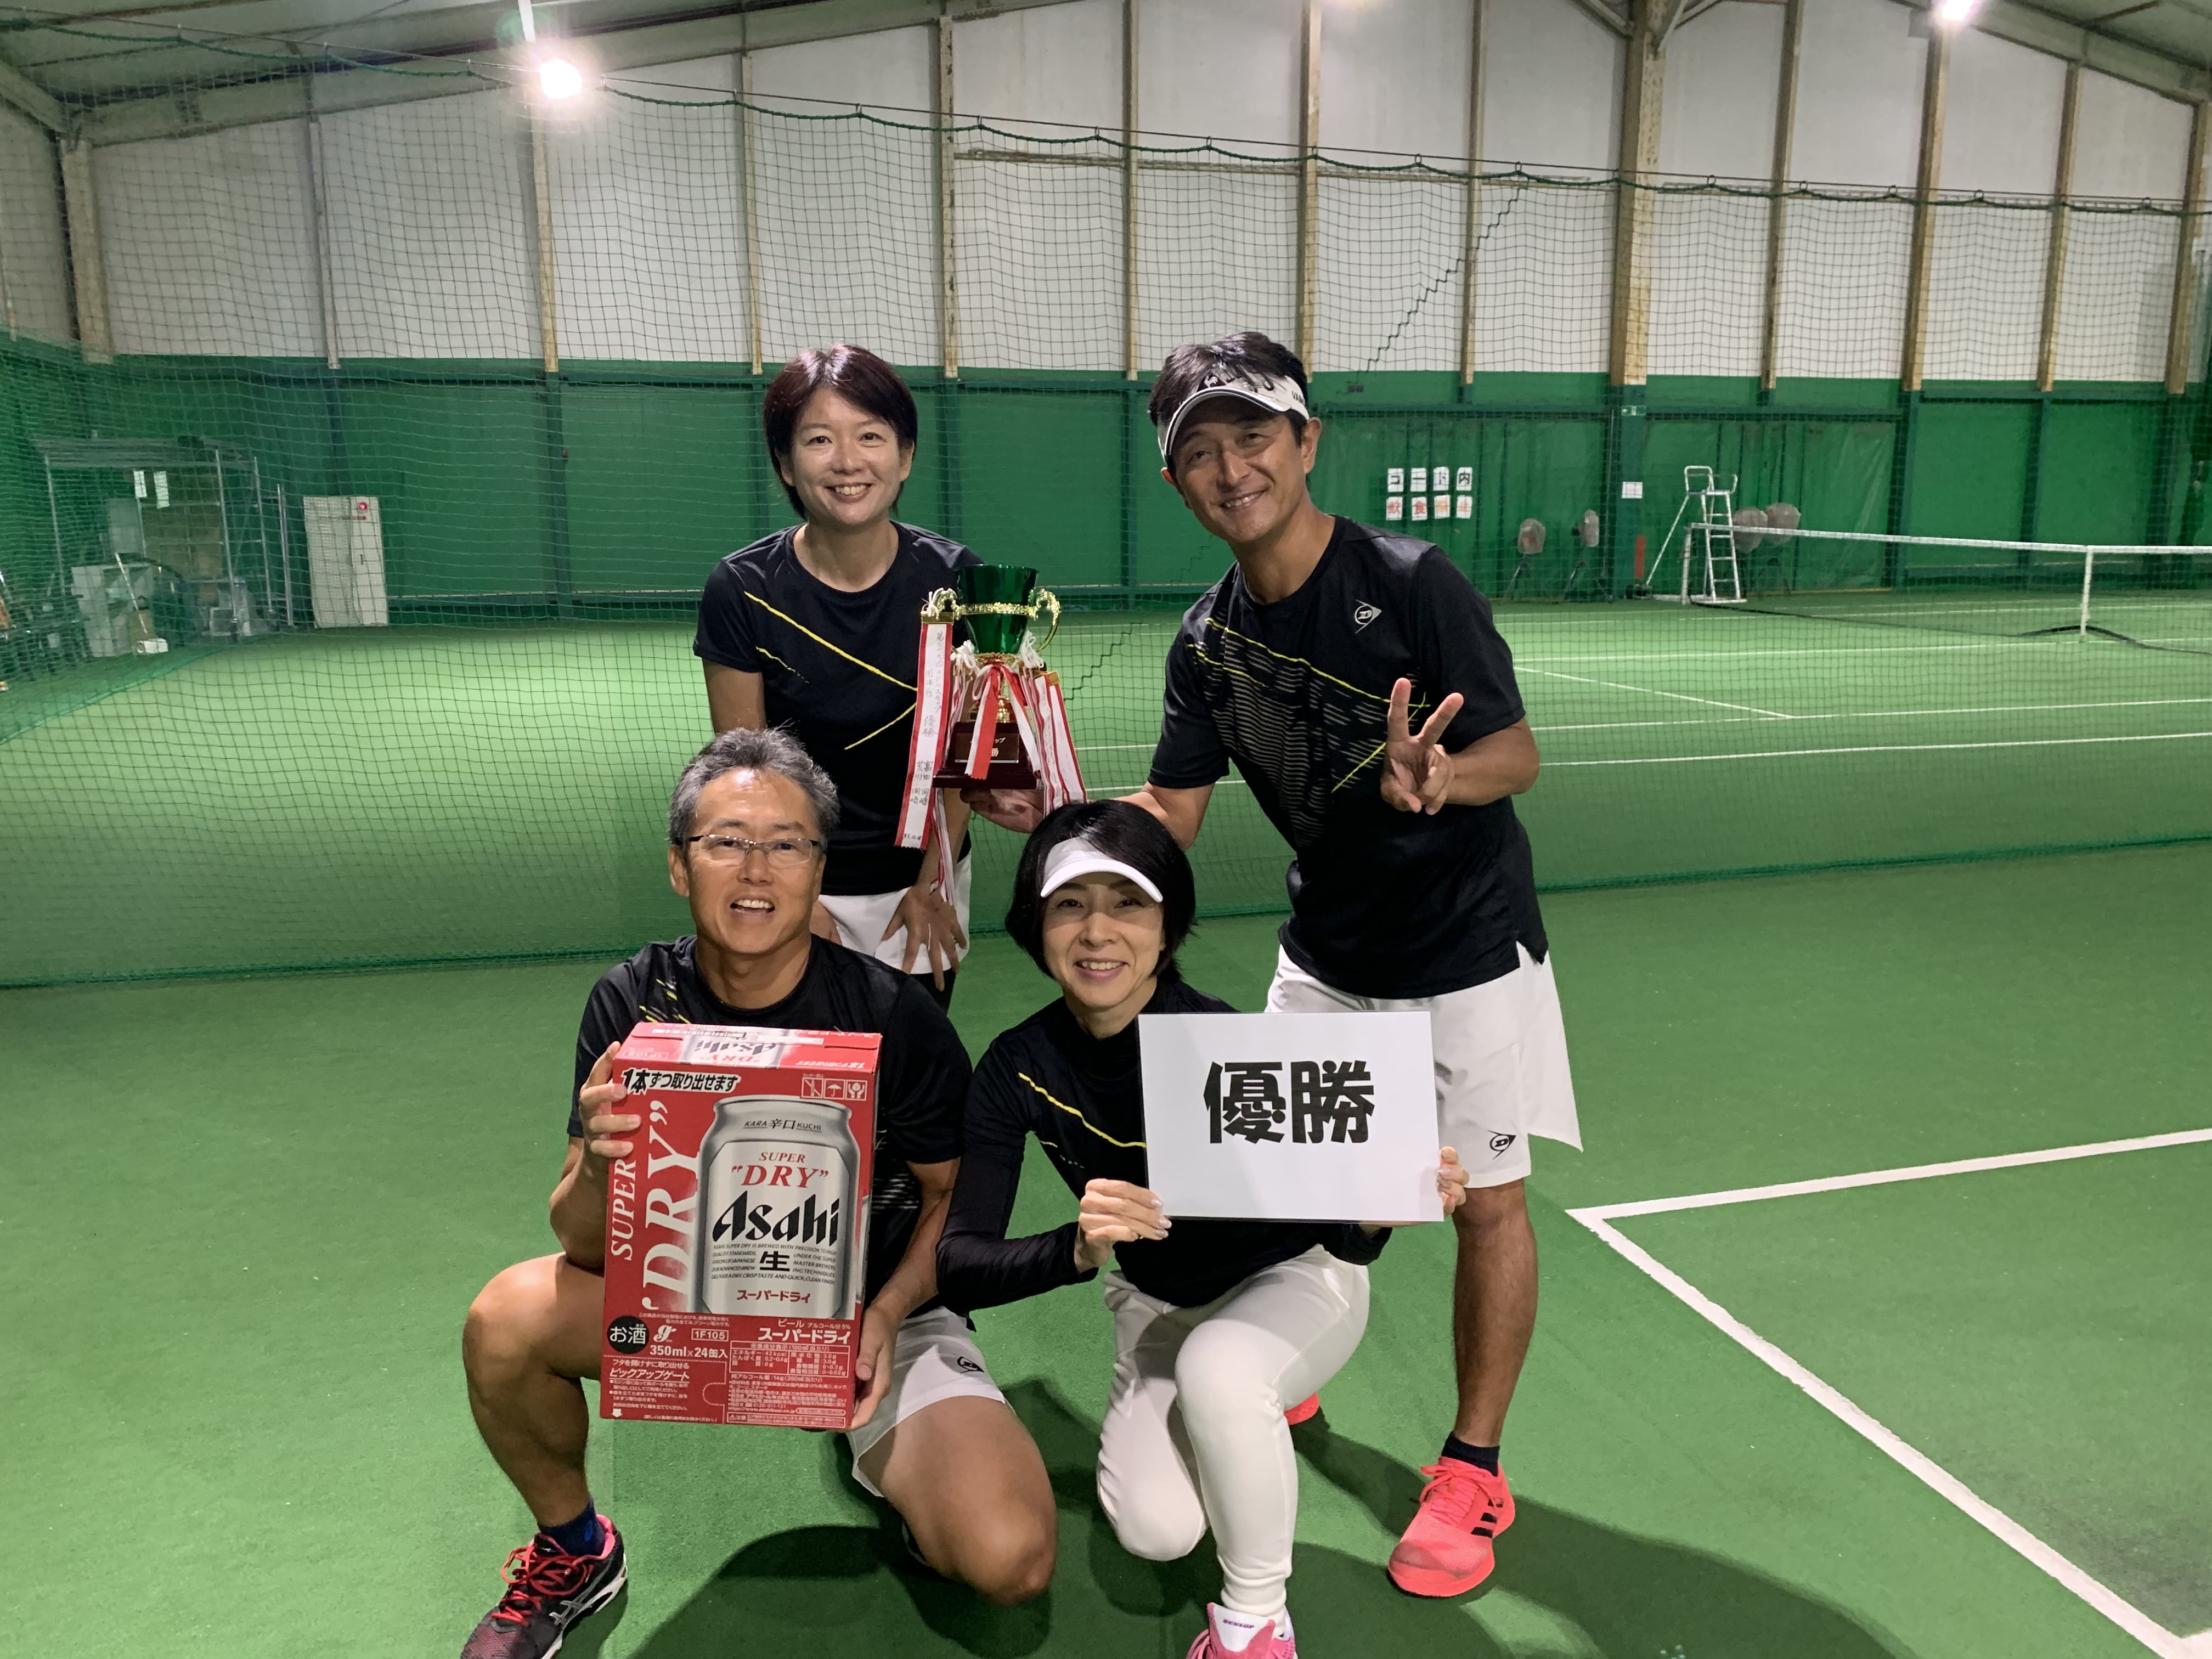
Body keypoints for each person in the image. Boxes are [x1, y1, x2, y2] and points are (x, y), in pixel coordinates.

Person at [1121, 332, 1581, 1599]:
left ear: (1306, 442)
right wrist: (1059, 813)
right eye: (1201, 453)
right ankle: (1290, 1363)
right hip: (1326, 955)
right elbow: (1171, 814)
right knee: (1282, 1182)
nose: (1232, 470)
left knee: (1487, 1204)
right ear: (1175, 481)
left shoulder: (1412, 583)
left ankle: (1472, 1467)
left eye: (1253, 438)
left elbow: (1516, 755)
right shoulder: (1206, 642)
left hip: (1466, 947)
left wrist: (1442, 777)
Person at [456, 727, 1054, 1659]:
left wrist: (887, 1313)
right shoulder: (632, 1002)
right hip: (689, 1304)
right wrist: (604, 1161)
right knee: (505, 1320)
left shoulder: (892, 1014)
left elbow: (954, 1201)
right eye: (726, 840)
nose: (756, 869)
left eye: (787, 843)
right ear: (678, 864)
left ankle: (899, 1463)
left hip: (863, 1319)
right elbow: (582, 1241)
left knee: (1008, 1557)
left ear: (820, 868)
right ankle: (577, 1550)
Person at [938, 800, 1469, 1658]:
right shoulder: (1017, 1067)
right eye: (1070, 905)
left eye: (1129, 903)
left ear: (1168, 926)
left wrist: (1380, 1208)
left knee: (1222, 1369)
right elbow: (961, 1264)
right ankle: (1245, 1395)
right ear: (1035, 924)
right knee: (1156, 1531)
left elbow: (1340, 1233)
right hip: (1157, 1302)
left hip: (1294, 1281)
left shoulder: (1228, 1044)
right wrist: (1076, 1247)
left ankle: (1255, 1624)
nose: (1098, 932)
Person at [696, 343, 979, 1005]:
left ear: (905, 457)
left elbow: (964, 757)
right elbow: (746, 769)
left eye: (871, 436)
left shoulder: (958, 580)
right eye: (819, 439)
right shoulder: (743, 588)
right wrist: (799, 900)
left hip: (923, 884)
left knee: (913, 1052)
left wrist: (933, 882)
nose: (848, 461)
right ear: (785, 465)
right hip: (794, 881)